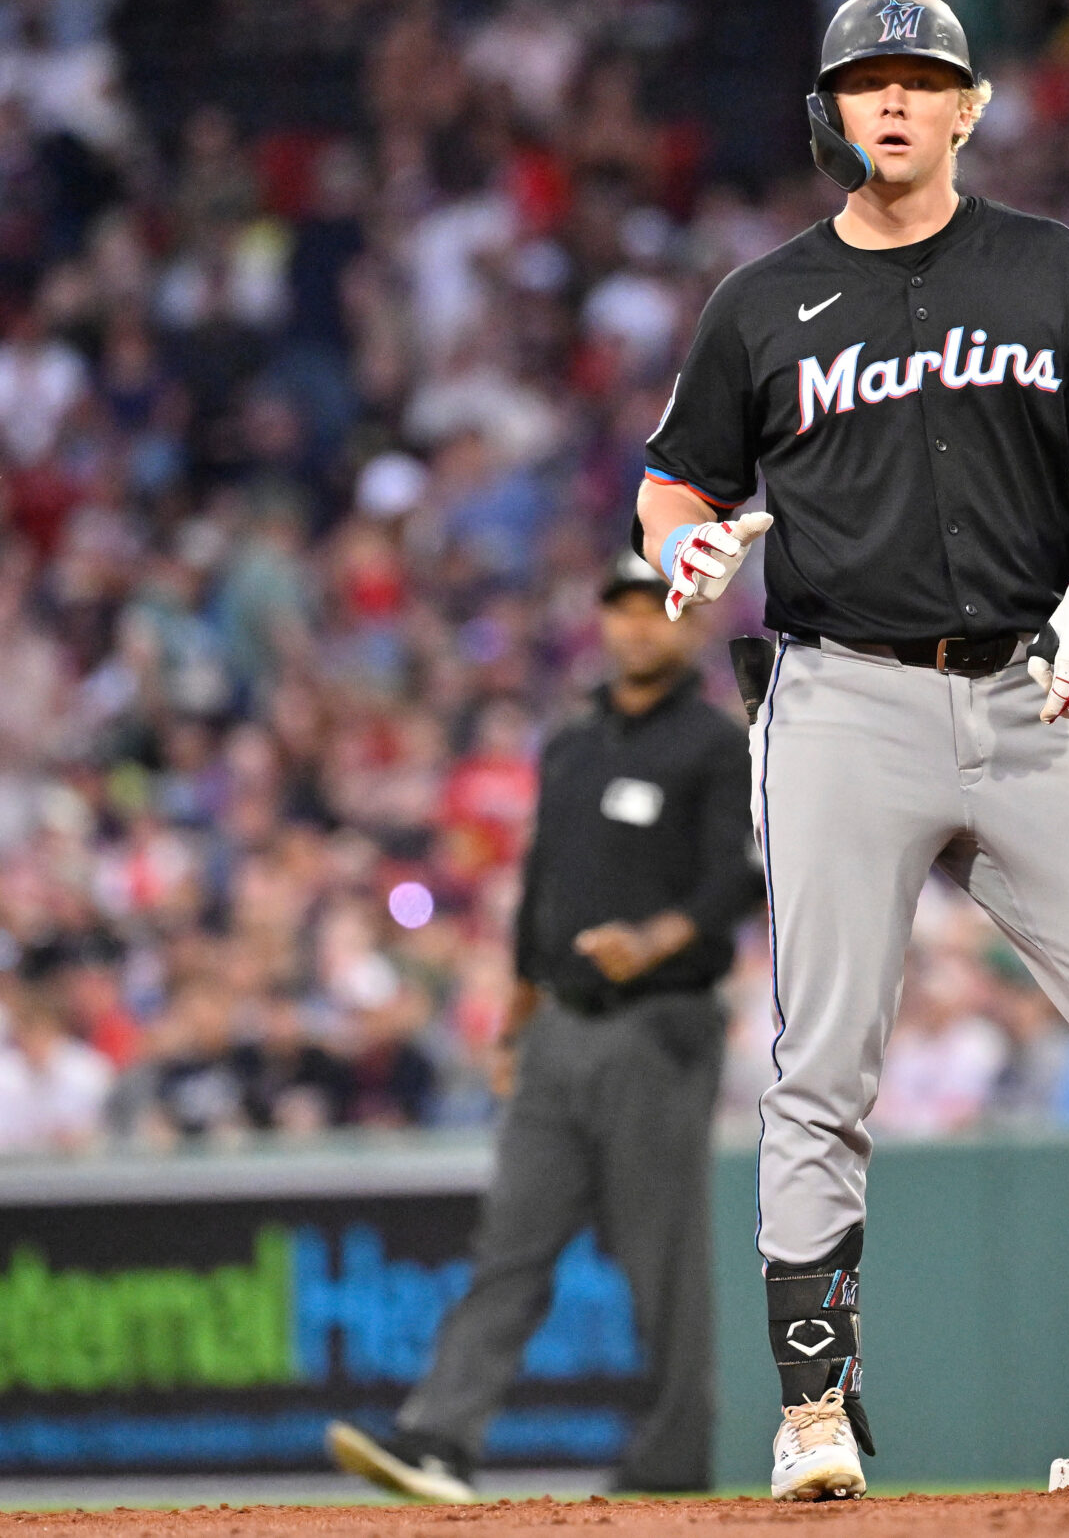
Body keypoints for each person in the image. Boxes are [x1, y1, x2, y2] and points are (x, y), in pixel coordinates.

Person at [634, 0, 1069, 1502]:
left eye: (919, 80)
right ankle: (813, 1402)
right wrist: (675, 547)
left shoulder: (1046, 266)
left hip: (1022, 690)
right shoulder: (760, 303)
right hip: (841, 699)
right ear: (832, 113)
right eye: (866, 80)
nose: (892, 101)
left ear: (966, 108)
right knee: (825, 1063)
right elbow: (674, 485)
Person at [329, 551, 760, 1501]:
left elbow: (739, 875)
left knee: (663, 1263)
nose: (638, 625)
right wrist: (518, 1015)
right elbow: (541, 890)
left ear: (687, 626)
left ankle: (674, 1463)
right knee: (509, 1243)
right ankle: (439, 1437)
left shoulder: (712, 744)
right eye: (622, 609)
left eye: (656, 610)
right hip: (561, 1026)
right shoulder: (571, 744)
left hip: (660, 1026)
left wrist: (658, 939)